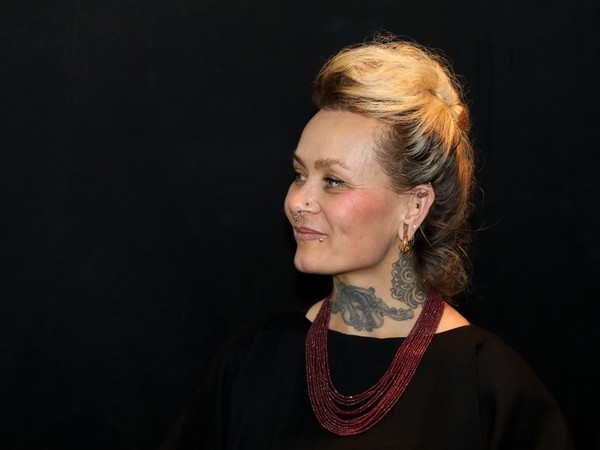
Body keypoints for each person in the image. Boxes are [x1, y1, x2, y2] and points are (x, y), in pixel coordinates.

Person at [163, 33, 575, 449]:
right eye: (299, 174)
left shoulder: (487, 388)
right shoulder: (252, 361)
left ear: (414, 205)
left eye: (334, 181)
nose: (298, 202)